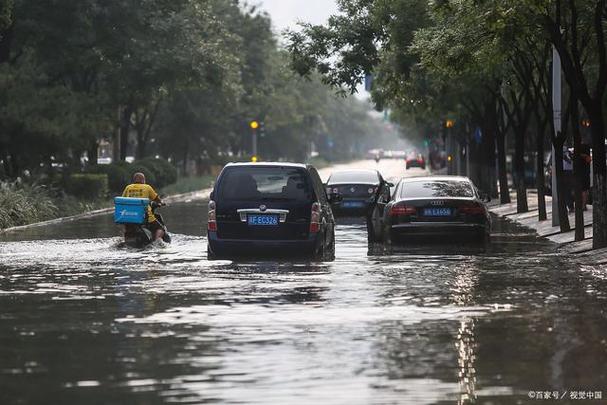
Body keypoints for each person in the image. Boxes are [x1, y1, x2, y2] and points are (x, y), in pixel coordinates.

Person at [122, 172, 165, 241]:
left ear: (134, 180)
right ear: (143, 180)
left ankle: (125, 240)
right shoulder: (147, 187)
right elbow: (156, 198)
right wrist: (161, 202)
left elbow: (122, 200)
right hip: (145, 216)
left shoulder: (128, 187)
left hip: (130, 215)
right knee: (160, 228)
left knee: (127, 229)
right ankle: (157, 242)